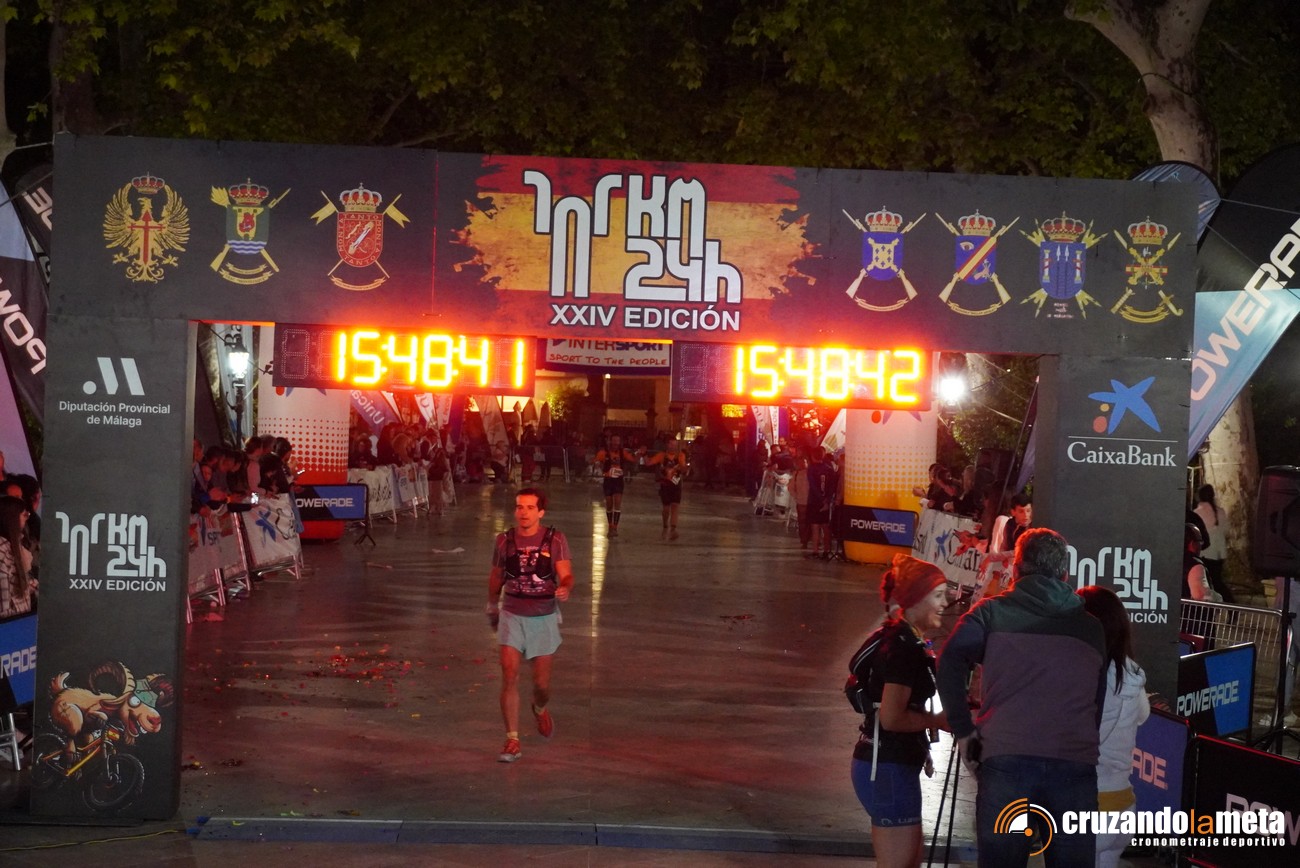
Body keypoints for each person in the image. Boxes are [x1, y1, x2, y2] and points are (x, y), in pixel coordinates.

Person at [936, 527, 1107, 868]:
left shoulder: (989, 613)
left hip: (1006, 761)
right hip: (1074, 764)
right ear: (1065, 574)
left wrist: (964, 731)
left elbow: (949, 660)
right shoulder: (1091, 628)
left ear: (1015, 570)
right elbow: (1096, 704)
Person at [849, 555, 950, 868]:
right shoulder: (905, 648)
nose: (945, 603)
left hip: (891, 766)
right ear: (915, 599)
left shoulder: (903, 639)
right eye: (938, 595)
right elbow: (892, 718)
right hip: (887, 769)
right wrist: (937, 721)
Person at [486, 488, 575, 763]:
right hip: (512, 614)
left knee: (541, 685)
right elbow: (497, 575)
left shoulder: (555, 539)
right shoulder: (504, 540)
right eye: (519, 507)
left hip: (543, 617)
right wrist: (492, 604)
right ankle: (512, 739)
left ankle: (539, 708)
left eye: (529, 507)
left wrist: (565, 587)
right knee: (509, 675)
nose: (523, 512)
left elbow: (566, 574)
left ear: (541, 512)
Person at [1077, 585, 1149, 868]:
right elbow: (1142, 715)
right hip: (1123, 805)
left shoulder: (1087, 674)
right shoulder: (1132, 672)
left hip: (1089, 807)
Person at [1193, 484, 1235, 604]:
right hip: (1219, 554)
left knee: (1209, 583)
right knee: (1217, 582)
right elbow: (1226, 530)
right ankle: (1229, 604)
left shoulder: (1197, 513)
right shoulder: (1220, 512)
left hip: (1204, 554)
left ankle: (1226, 605)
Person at [645, 438, 688, 540]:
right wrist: (644, 454)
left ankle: (673, 529)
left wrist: (684, 468)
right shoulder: (661, 456)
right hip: (665, 484)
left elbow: (683, 468)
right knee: (666, 508)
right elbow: (648, 463)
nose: (673, 447)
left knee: (675, 506)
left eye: (675, 445)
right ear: (667, 445)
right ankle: (665, 525)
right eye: (671, 444)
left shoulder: (680, 455)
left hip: (676, 484)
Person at [594, 435, 636, 537]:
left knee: (617, 502)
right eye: (614, 441)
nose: (616, 443)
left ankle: (615, 527)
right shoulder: (604, 452)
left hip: (618, 480)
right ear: (610, 441)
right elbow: (595, 462)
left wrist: (639, 454)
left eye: (618, 441)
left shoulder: (623, 452)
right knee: (609, 504)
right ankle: (610, 525)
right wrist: (599, 466)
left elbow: (633, 460)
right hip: (608, 480)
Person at [0, 495, 35, 618]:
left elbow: (14, 584)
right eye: (25, 514)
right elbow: (3, 605)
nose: (27, 518)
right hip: (11, 623)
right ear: (12, 518)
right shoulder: (2, 550)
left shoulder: (13, 545)